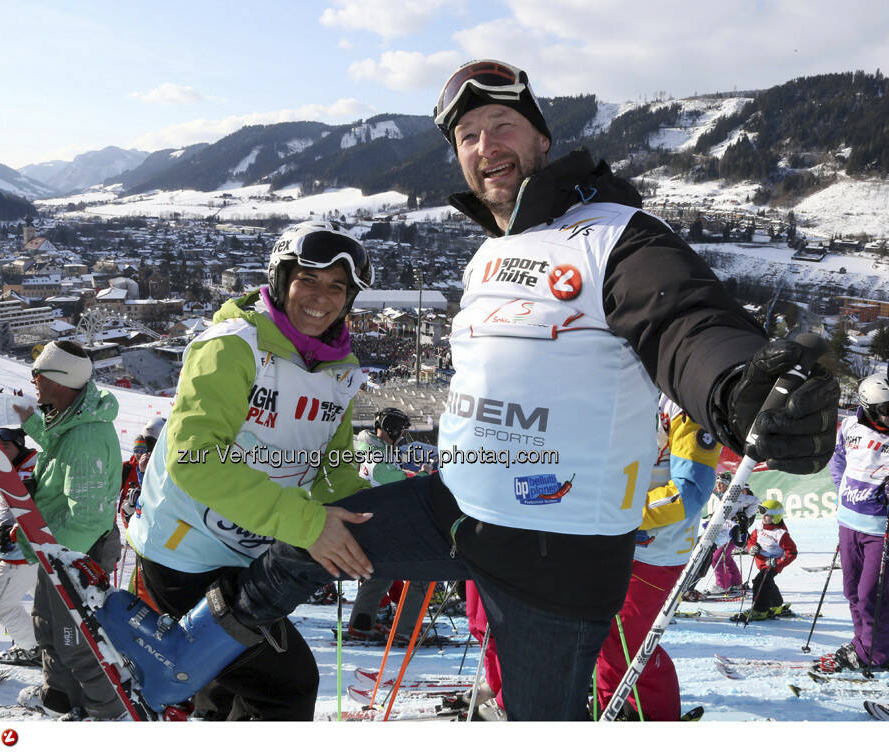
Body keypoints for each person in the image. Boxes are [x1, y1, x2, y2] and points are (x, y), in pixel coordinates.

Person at [89, 59, 839, 720]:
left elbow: (683, 319)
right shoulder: (491, 257)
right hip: (457, 509)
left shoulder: (615, 234)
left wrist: (737, 385)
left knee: (540, 722)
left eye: (501, 124)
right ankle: (180, 656)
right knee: (313, 535)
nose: (486, 146)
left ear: (543, 138)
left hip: (554, 551)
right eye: (468, 135)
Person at [120, 220, 374, 720]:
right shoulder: (232, 346)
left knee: (228, 695)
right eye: (308, 280)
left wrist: (370, 513)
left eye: (337, 287)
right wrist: (308, 525)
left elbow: (332, 466)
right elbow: (196, 460)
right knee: (287, 685)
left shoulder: (342, 369)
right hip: (185, 555)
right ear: (281, 282)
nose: (321, 298)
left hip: (251, 551)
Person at [14, 340, 124, 720]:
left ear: (58, 380)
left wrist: (53, 554)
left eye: (38, 375)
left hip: (77, 550)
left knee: (75, 636)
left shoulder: (86, 435)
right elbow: (61, 448)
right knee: (47, 624)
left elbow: (89, 519)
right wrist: (29, 423)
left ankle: (103, 710)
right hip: (59, 547)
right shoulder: (71, 419)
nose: (33, 381)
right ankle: (59, 695)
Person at [595, 396, 720, 720]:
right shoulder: (617, 386)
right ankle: (610, 707)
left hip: (656, 551)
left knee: (630, 645)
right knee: (603, 638)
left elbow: (690, 492)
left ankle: (656, 715)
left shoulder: (681, 403)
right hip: (608, 540)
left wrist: (622, 517)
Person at [348, 407, 433, 643]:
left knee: (381, 573)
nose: (402, 437)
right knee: (423, 572)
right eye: (401, 432)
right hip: (386, 523)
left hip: (377, 523)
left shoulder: (373, 448)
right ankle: (406, 631)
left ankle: (361, 624)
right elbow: (392, 479)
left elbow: (387, 475)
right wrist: (424, 477)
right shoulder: (376, 454)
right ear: (391, 430)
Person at [822, 373, 889, 671]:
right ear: (870, 407)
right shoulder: (850, 426)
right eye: (886, 409)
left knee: (871, 595)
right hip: (849, 522)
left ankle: (876, 654)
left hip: (880, 529)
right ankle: (863, 643)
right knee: (852, 591)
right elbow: (838, 459)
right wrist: (844, 490)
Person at [0, 426, 40, 666]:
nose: (0, 451)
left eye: (5, 447)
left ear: (18, 446)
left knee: (1, 607)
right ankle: (41, 646)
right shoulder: (9, 467)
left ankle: (34, 648)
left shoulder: (33, 465)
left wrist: (10, 530)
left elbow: (35, 502)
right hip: (27, 549)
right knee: (43, 606)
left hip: (20, 551)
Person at [683, 471, 760, 600]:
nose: (719, 486)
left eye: (722, 484)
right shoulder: (720, 495)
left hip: (730, 532)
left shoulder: (735, 496)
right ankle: (735, 583)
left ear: (728, 485)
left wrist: (744, 516)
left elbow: (756, 501)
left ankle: (723, 585)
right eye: (718, 483)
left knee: (716, 557)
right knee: (725, 556)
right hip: (718, 529)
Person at [732, 499, 797, 622]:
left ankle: (759, 610)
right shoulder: (760, 526)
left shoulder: (780, 533)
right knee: (767, 582)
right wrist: (752, 548)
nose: (764, 517)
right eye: (762, 514)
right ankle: (776, 605)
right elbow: (752, 540)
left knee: (759, 581)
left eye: (767, 515)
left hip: (772, 564)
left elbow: (792, 552)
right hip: (760, 562)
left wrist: (777, 562)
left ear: (776, 517)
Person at [118, 416, 165, 528]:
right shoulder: (127, 468)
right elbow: (106, 497)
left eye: (152, 445)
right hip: (136, 532)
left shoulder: (167, 470)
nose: (148, 451)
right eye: (146, 443)